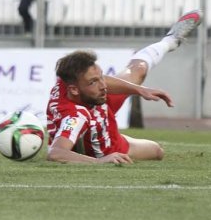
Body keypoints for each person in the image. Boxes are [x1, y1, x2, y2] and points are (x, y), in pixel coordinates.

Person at [46, 11, 201, 164]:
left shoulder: (68, 80)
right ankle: (124, 139)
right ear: (74, 89)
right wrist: (99, 162)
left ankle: (169, 41)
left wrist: (139, 89)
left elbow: (96, 81)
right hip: (108, 144)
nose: (103, 85)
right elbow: (56, 153)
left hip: (95, 104)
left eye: (100, 77)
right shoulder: (75, 116)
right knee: (157, 151)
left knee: (137, 70)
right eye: (94, 81)